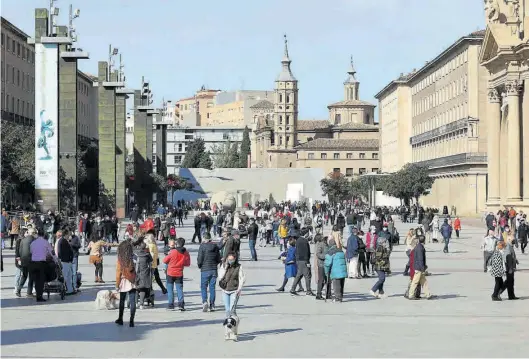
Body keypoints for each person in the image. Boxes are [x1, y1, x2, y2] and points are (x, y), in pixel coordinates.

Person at [163, 238, 191, 311]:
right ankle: (181, 305)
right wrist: (181, 263)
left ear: (177, 243)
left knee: (170, 289)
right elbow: (188, 264)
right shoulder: (186, 252)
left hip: (170, 273)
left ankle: (171, 305)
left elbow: (165, 260)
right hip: (179, 273)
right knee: (179, 289)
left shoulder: (173, 251)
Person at [29, 228, 56, 302]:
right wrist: (55, 260)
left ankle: (38, 294)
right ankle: (39, 297)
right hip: (41, 264)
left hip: (33, 263)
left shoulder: (33, 243)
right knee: (40, 281)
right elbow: (52, 253)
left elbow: (31, 252)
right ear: (44, 235)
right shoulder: (46, 242)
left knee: (36, 280)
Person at [197, 232, 221, 312]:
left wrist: (200, 265)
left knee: (203, 287)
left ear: (204, 238)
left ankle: (204, 302)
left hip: (205, 269)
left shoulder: (202, 246)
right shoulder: (215, 246)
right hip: (213, 269)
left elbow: (200, 258)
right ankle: (212, 305)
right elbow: (218, 259)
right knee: (212, 288)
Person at [115, 240, 137, 327]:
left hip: (124, 281)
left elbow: (118, 274)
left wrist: (117, 285)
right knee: (132, 301)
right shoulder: (134, 257)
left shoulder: (120, 260)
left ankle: (120, 318)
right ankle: (131, 320)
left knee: (122, 300)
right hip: (133, 280)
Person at [218, 252, 246, 319]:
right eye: (229, 259)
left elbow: (242, 278)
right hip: (225, 290)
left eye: (232, 260)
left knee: (232, 310)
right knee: (227, 311)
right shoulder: (224, 265)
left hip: (234, 290)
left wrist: (239, 289)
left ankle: (234, 323)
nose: (230, 261)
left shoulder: (239, 266)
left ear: (235, 259)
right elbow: (220, 277)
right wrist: (225, 268)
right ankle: (228, 325)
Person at [289, 229, 314, 296]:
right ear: (306, 234)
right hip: (304, 260)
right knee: (307, 275)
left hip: (298, 260)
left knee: (299, 275)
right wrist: (308, 261)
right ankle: (308, 290)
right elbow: (307, 252)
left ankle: (293, 289)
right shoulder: (305, 241)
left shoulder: (298, 240)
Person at [408, 235, 433, 300]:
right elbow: (420, 259)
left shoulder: (419, 246)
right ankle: (411, 295)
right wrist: (423, 269)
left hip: (418, 267)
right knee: (415, 282)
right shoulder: (420, 248)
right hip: (419, 268)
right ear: (424, 240)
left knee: (424, 282)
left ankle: (428, 294)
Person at [15, 226, 36, 297]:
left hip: (23, 260)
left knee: (24, 276)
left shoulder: (22, 240)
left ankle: (18, 290)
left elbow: (20, 251)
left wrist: (21, 259)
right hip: (31, 261)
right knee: (31, 277)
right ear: (33, 233)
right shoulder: (34, 240)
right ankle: (29, 292)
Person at [370, 234, 391, 298]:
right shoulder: (380, 248)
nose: (386, 243)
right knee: (382, 279)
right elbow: (378, 258)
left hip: (382, 266)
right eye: (385, 242)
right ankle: (373, 290)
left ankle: (381, 293)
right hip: (379, 266)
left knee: (382, 279)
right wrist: (383, 264)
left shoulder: (383, 248)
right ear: (381, 242)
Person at [55, 229, 75, 295]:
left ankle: (70, 290)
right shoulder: (62, 241)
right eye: (68, 234)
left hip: (67, 261)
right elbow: (59, 252)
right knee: (65, 276)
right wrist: (60, 259)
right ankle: (62, 290)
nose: (69, 236)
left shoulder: (63, 241)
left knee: (68, 276)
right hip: (64, 261)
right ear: (65, 234)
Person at [134, 241, 153, 310]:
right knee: (143, 289)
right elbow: (151, 263)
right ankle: (141, 304)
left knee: (136, 288)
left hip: (136, 273)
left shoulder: (135, 254)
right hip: (145, 273)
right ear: (145, 247)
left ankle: (136, 303)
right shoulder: (147, 254)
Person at [313, 235, 328, 299]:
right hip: (321, 264)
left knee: (326, 280)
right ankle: (318, 294)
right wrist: (325, 256)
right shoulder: (320, 245)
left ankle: (325, 293)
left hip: (326, 264)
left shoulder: (326, 245)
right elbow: (318, 254)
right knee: (321, 280)